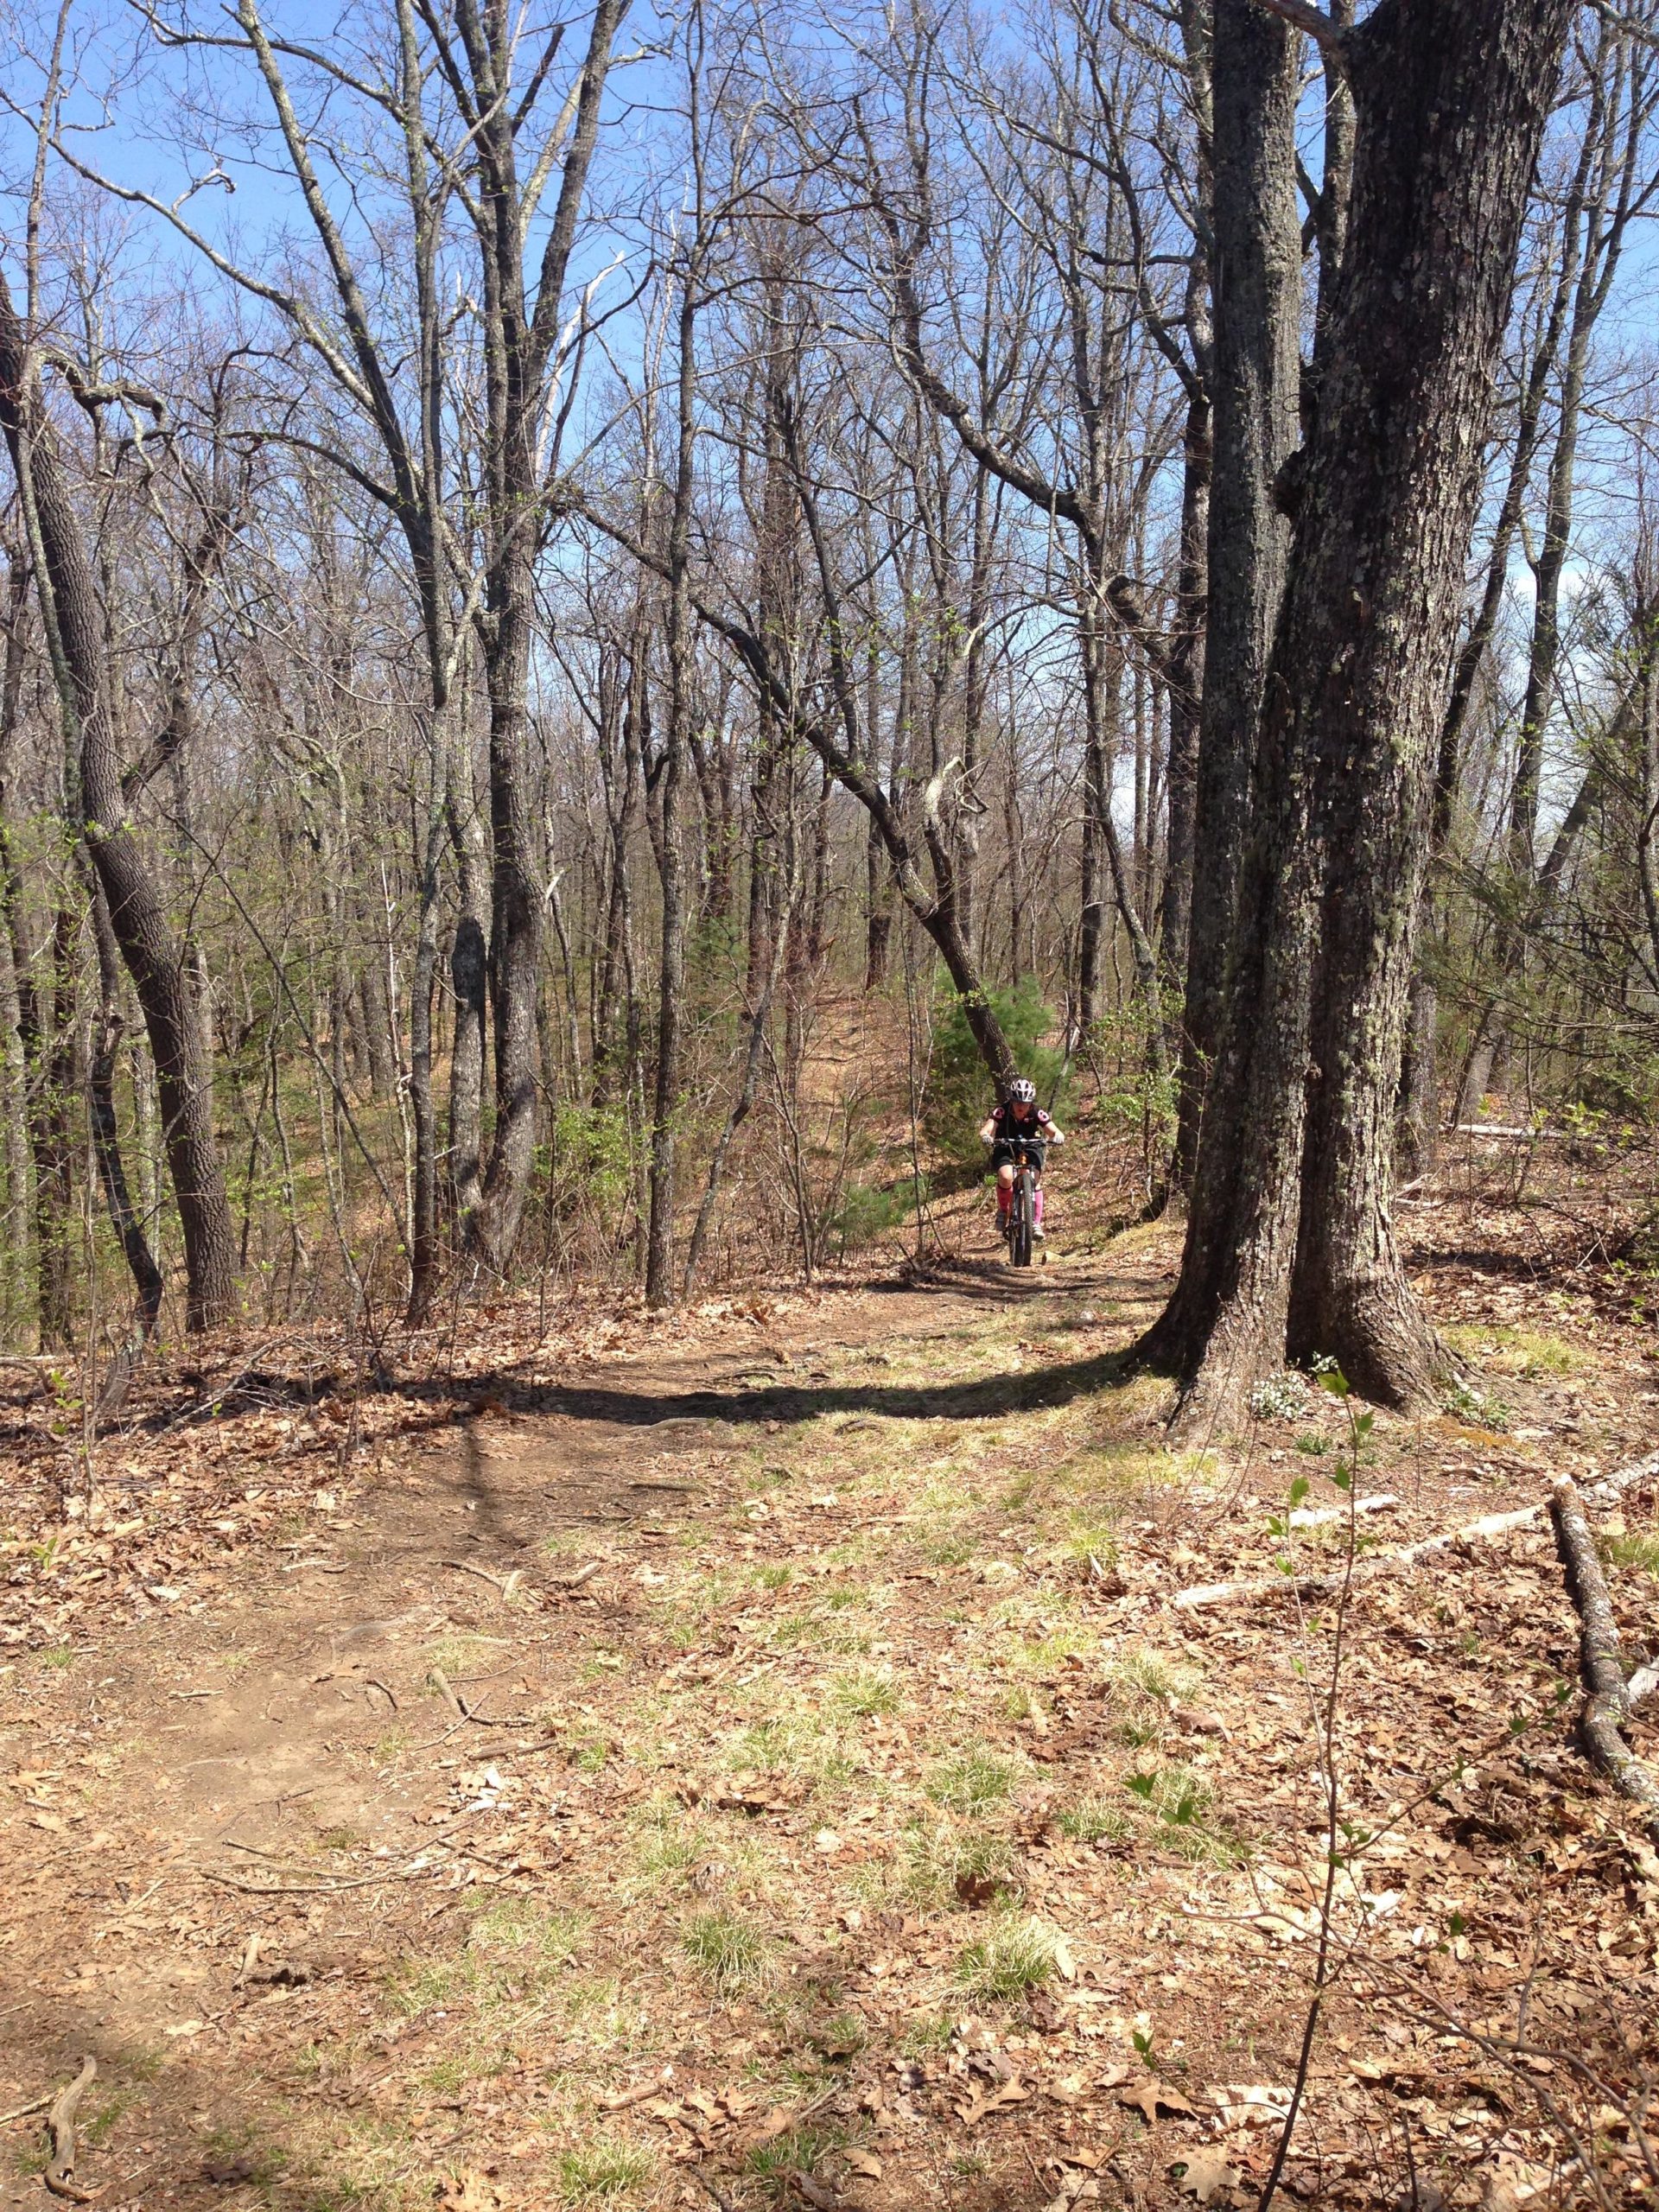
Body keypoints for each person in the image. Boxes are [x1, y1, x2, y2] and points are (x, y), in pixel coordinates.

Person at [978, 1078, 1065, 1243]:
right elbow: (987, 1128)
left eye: (1025, 1103)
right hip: (1005, 1145)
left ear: (1031, 1103)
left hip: (1029, 1147)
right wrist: (986, 1136)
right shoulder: (1001, 1111)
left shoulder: (1037, 1113)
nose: (1021, 1106)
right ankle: (1004, 1210)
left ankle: (1035, 1223)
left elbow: (1053, 1130)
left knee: (1033, 1180)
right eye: (1017, 1102)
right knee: (1006, 1177)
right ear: (1011, 1100)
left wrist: (1058, 1136)